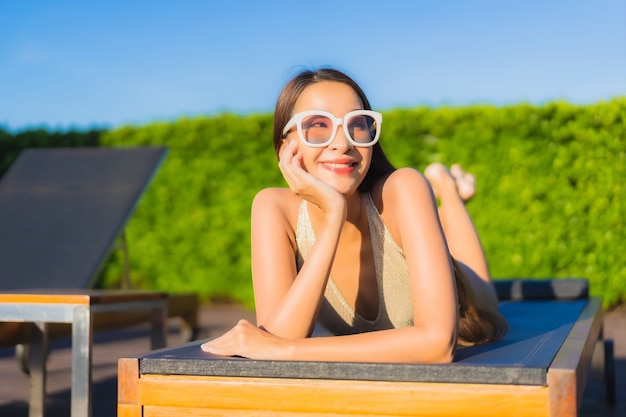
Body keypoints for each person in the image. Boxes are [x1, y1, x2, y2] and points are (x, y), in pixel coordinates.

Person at [201, 68, 507, 363]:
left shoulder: (404, 188)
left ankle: (449, 190)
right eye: (318, 125)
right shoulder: (273, 208)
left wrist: (287, 352)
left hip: (468, 301)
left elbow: (438, 345)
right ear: (286, 146)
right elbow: (279, 335)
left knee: (482, 288)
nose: (343, 143)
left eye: (357, 124)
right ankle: (448, 187)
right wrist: (334, 214)